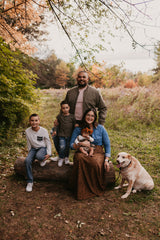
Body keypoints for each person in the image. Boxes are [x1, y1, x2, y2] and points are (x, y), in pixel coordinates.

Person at [52, 71, 107, 161]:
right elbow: (64, 107)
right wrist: (59, 119)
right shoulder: (70, 92)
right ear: (77, 79)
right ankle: (61, 155)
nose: (81, 79)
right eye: (80, 77)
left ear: (87, 79)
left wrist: (101, 123)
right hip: (71, 122)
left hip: (87, 123)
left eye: (84, 77)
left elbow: (103, 108)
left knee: (85, 142)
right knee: (54, 133)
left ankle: (88, 156)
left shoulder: (94, 92)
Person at [69, 108, 111, 200]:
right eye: (88, 115)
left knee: (94, 163)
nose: (90, 117)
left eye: (92, 116)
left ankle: (94, 187)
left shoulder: (100, 128)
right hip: (82, 150)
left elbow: (107, 145)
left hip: (97, 151)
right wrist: (80, 144)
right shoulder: (78, 129)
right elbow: (71, 145)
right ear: (84, 116)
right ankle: (81, 190)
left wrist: (107, 160)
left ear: (95, 117)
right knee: (80, 158)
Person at [25, 113, 52, 192]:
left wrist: (49, 153)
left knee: (39, 156)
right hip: (33, 149)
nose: (34, 122)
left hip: (42, 148)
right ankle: (30, 182)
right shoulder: (27, 131)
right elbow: (28, 142)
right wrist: (30, 154)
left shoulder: (43, 131)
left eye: (36, 120)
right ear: (30, 121)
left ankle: (42, 159)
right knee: (27, 161)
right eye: (32, 121)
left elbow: (48, 142)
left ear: (39, 121)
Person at [51, 100, 76, 167]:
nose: (65, 109)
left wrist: (76, 127)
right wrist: (55, 131)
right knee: (62, 147)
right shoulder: (59, 117)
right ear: (61, 109)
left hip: (69, 135)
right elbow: (56, 125)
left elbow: (74, 125)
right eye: (63, 108)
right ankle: (61, 158)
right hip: (61, 135)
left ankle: (66, 158)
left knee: (67, 147)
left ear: (69, 108)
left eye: (66, 107)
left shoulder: (72, 117)